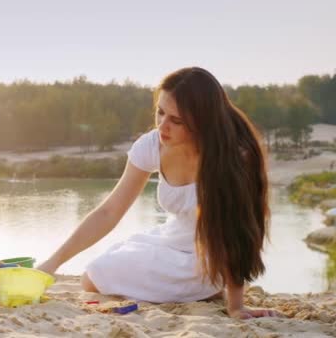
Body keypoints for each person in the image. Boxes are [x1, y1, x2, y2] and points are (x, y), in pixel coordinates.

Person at [37, 67, 279, 319]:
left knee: (98, 279)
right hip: (169, 239)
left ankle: (205, 289)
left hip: (211, 258)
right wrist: (51, 265)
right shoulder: (152, 145)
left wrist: (236, 305)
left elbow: (237, 232)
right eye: (160, 112)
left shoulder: (234, 156)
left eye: (177, 120)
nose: (163, 126)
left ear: (203, 121)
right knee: (94, 274)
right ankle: (188, 290)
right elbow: (109, 211)